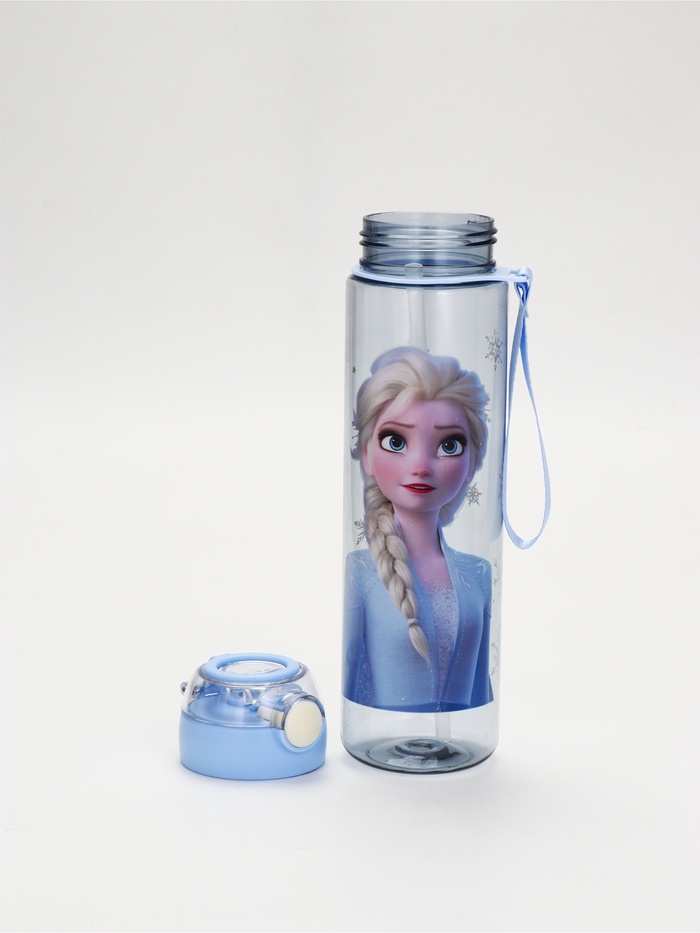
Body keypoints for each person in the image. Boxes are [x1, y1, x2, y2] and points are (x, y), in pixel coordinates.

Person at [343, 346, 493, 713]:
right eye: (395, 441)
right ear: (367, 453)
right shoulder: (361, 572)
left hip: (461, 738)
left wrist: (476, 730)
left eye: (449, 445)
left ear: (473, 461)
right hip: (383, 736)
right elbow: (355, 675)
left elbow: (481, 685)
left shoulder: (478, 573)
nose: (421, 465)